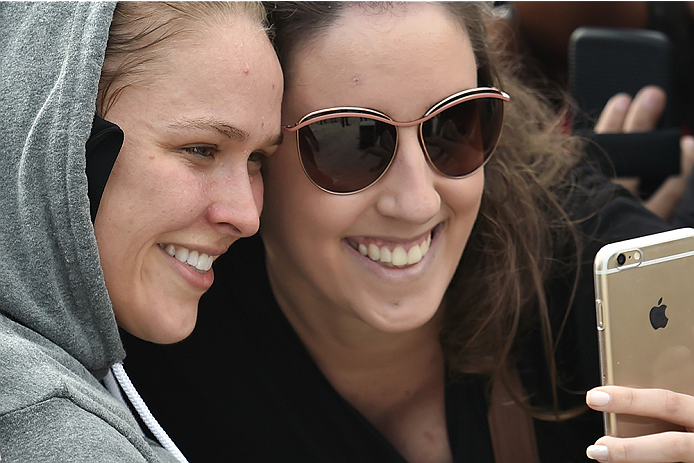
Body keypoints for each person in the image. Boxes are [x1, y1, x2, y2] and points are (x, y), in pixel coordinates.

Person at [121, 2, 694, 462]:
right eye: (351, 141)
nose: (417, 200)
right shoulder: (159, 333)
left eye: (454, 126)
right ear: (258, 151)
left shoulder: (577, 249)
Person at [0, 1, 282, 462]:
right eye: (201, 149)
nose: (247, 216)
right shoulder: (54, 436)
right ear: (66, 140)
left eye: (257, 160)